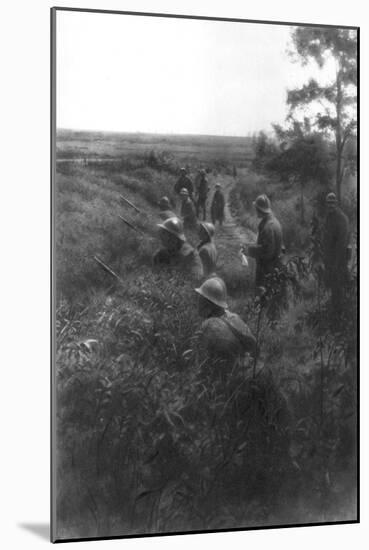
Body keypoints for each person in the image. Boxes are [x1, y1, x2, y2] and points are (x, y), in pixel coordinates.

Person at [195, 277, 257, 360]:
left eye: (201, 297)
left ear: (208, 303)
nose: (198, 301)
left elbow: (199, 358)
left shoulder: (207, 326)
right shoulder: (234, 317)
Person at [247, 194, 283, 289]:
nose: (255, 211)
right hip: (274, 268)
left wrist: (248, 250)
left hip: (267, 271)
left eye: (256, 209)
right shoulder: (275, 222)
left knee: (263, 298)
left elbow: (267, 251)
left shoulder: (268, 227)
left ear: (259, 209)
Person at [322, 192, 350, 312]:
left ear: (336, 204)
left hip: (339, 259)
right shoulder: (329, 216)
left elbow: (341, 244)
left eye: (332, 203)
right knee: (333, 286)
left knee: (338, 286)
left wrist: (336, 262)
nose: (330, 206)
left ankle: (339, 313)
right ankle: (334, 309)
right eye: (328, 203)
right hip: (330, 258)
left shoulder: (341, 218)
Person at [153, 217, 203, 281]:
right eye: (162, 232)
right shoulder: (160, 255)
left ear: (173, 238)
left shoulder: (191, 255)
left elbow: (195, 279)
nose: (161, 236)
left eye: (164, 233)